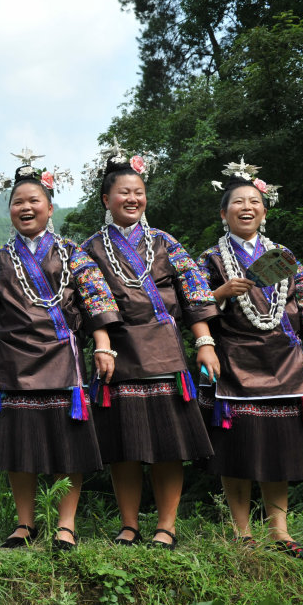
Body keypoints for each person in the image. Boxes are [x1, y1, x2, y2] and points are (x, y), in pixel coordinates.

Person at [0, 156, 121, 551]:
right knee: (20, 445)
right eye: (17, 201)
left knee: (66, 444)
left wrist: (104, 345)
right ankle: (25, 525)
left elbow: (96, 297)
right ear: (10, 211)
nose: (25, 207)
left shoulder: (73, 252)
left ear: (49, 207)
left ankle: (66, 525)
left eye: (34, 200)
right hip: (14, 363)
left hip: (62, 360)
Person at [80, 145, 218, 550]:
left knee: (168, 445)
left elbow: (194, 289)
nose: (132, 199)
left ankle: (166, 526)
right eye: (123, 192)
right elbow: (90, 300)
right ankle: (128, 525)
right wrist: (102, 344)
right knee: (125, 446)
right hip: (118, 352)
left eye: (138, 192)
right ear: (106, 199)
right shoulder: (89, 248)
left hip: (166, 350)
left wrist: (205, 341)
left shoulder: (165, 241)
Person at [197, 159, 303, 562]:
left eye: (254, 201)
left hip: (284, 364)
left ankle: (281, 532)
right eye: (238, 202)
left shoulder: (281, 256)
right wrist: (219, 293)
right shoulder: (210, 260)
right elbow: (187, 306)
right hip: (233, 363)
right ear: (224, 213)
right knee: (238, 449)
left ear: (264, 211)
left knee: (279, 448)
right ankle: (242, 533)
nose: (247, 207)